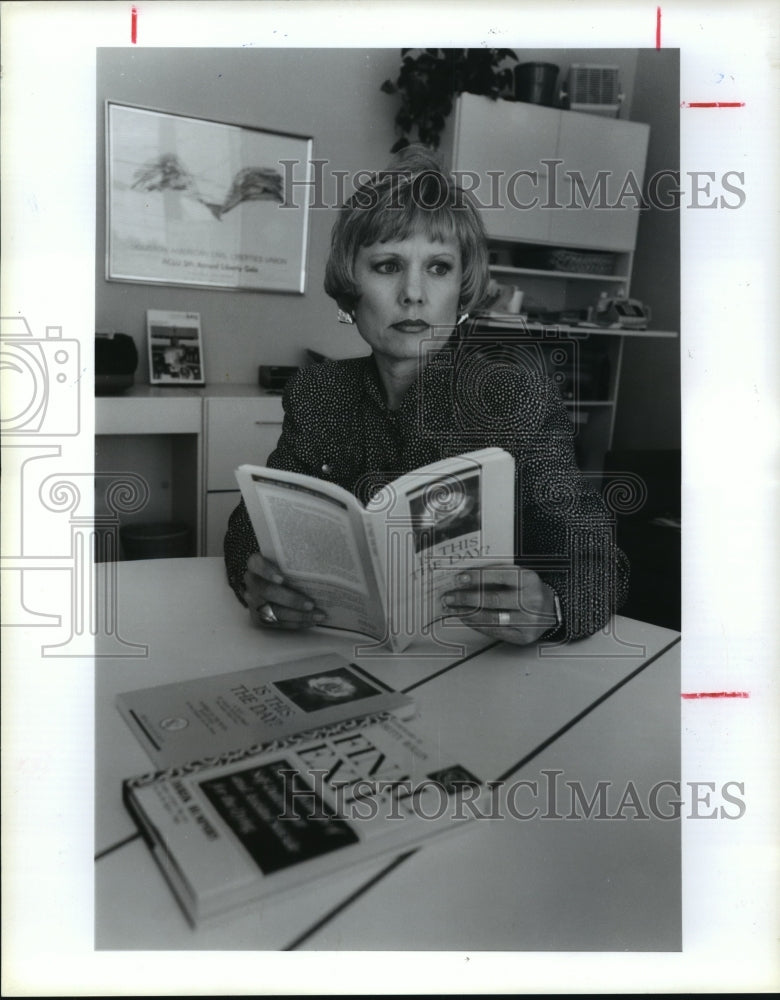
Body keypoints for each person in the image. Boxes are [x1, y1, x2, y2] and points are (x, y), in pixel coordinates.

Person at [224, 147, 628, 645]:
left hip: (480, 662)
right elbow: (253, 523)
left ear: (462, 287)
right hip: (346, 651)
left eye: (438, 268)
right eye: (388, 265)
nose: (413, 293)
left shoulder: (512, 392)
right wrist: (257, 579)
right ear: (351, 289)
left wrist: (551, 609)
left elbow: (596, 557)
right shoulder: (319, 393)